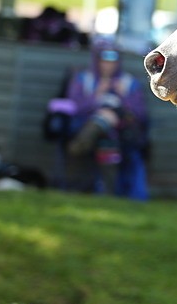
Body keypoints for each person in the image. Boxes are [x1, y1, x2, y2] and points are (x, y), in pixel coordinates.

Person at [64, 40, 150, 200]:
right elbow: (74, 107)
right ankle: (107, 193)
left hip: (122, 131)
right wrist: (96, 95)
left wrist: (124, 97)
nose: (108, 66)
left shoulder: (128, 83)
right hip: (85, 125)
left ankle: (80, 145)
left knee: (108, 124)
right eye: (104, 61)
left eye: (113, 62)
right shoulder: (83, 79)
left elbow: (140, 114)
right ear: (97, 61)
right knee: (107, 139)